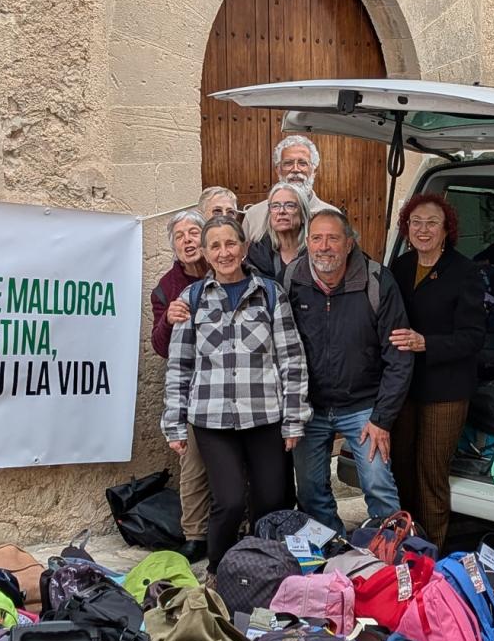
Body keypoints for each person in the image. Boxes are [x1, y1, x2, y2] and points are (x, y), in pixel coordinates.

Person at [161, 216, 309, 572]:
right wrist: (175, 424)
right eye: (216, 246)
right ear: (207, 254)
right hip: (212, 419)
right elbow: (179, 366)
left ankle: (264, 570)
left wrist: (294, 420)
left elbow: (292, 359)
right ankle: (220, 573)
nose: (224, 252)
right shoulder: (191, 299)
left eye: (231, 244)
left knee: (272, 499)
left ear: (243, 248)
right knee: (227, 502)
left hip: (264, 417)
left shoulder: (270, 294)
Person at [286, 209, 412, 533]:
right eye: (317, 238)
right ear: (307, 243)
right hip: (308, 408)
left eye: (333, 238)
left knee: (378, 485)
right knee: (311, 491)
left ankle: (391, 555)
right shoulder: (291, 281)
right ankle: (333, 554)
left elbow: (399, 357)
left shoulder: (376, 281)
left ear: (349, 243)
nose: (324, 246)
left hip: (363, 407)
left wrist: (381, 419)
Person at [387, 193, 486, 547]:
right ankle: (404, 544)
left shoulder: (465, 272)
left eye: (432, 223)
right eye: (415, 222)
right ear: (406, 228)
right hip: (403, 387)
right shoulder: (399, 267)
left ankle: (432, 554)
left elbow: (473, 337)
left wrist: (425, 342)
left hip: (445, 390)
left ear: (447, 230)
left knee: (431, 475)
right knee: (401, 470)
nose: (423, 229)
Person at [151, 208, 213, 560]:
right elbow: (159, 347)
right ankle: (195, 534)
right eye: (180, 236)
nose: (188, 241)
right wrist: (170, 322)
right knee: (193, 463)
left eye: (193, 233)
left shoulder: (228, 272)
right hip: (191, 389)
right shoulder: (166, 288)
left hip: (232, 385)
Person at [242, 135, 341, 242]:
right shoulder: (254, 215)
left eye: (302, 163)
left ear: (314, 171)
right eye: (288, 163)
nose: (295, 169)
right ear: (278, 170)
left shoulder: (333, 216)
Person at [247, 181, 310, 280]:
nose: (281, 211)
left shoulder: (315, 252)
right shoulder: (258, 253)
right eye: (275, 206)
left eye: (290, 205)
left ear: (303, 215)